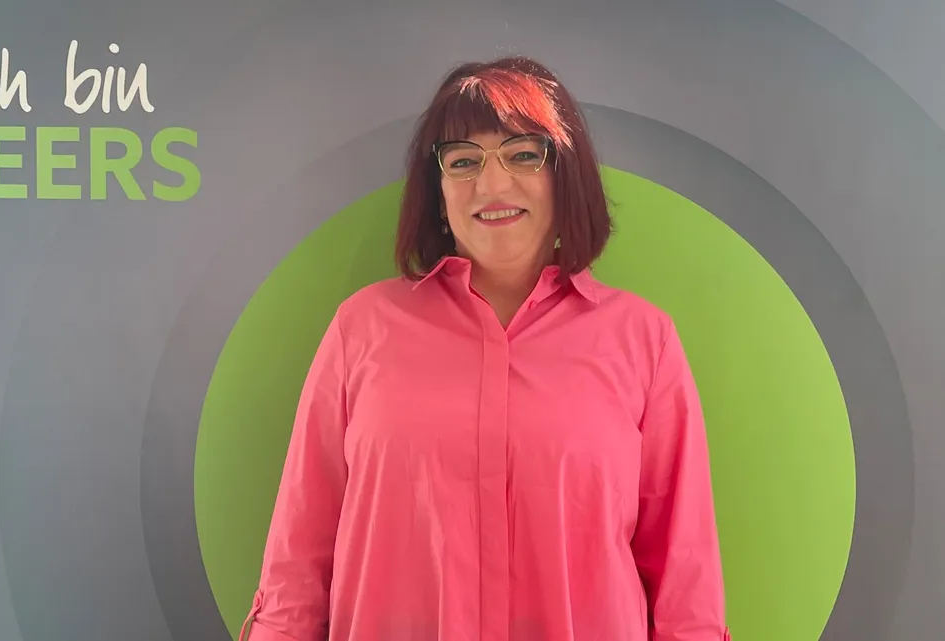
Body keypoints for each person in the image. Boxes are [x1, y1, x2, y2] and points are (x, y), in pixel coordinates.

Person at [239, 55, 730, 641]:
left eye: (523, 154)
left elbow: (685, 586)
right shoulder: (362, 329)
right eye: (463, 161)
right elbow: (298, 562)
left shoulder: (642, 340)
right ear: (438, 192)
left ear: (565, 176)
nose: (492, 185)